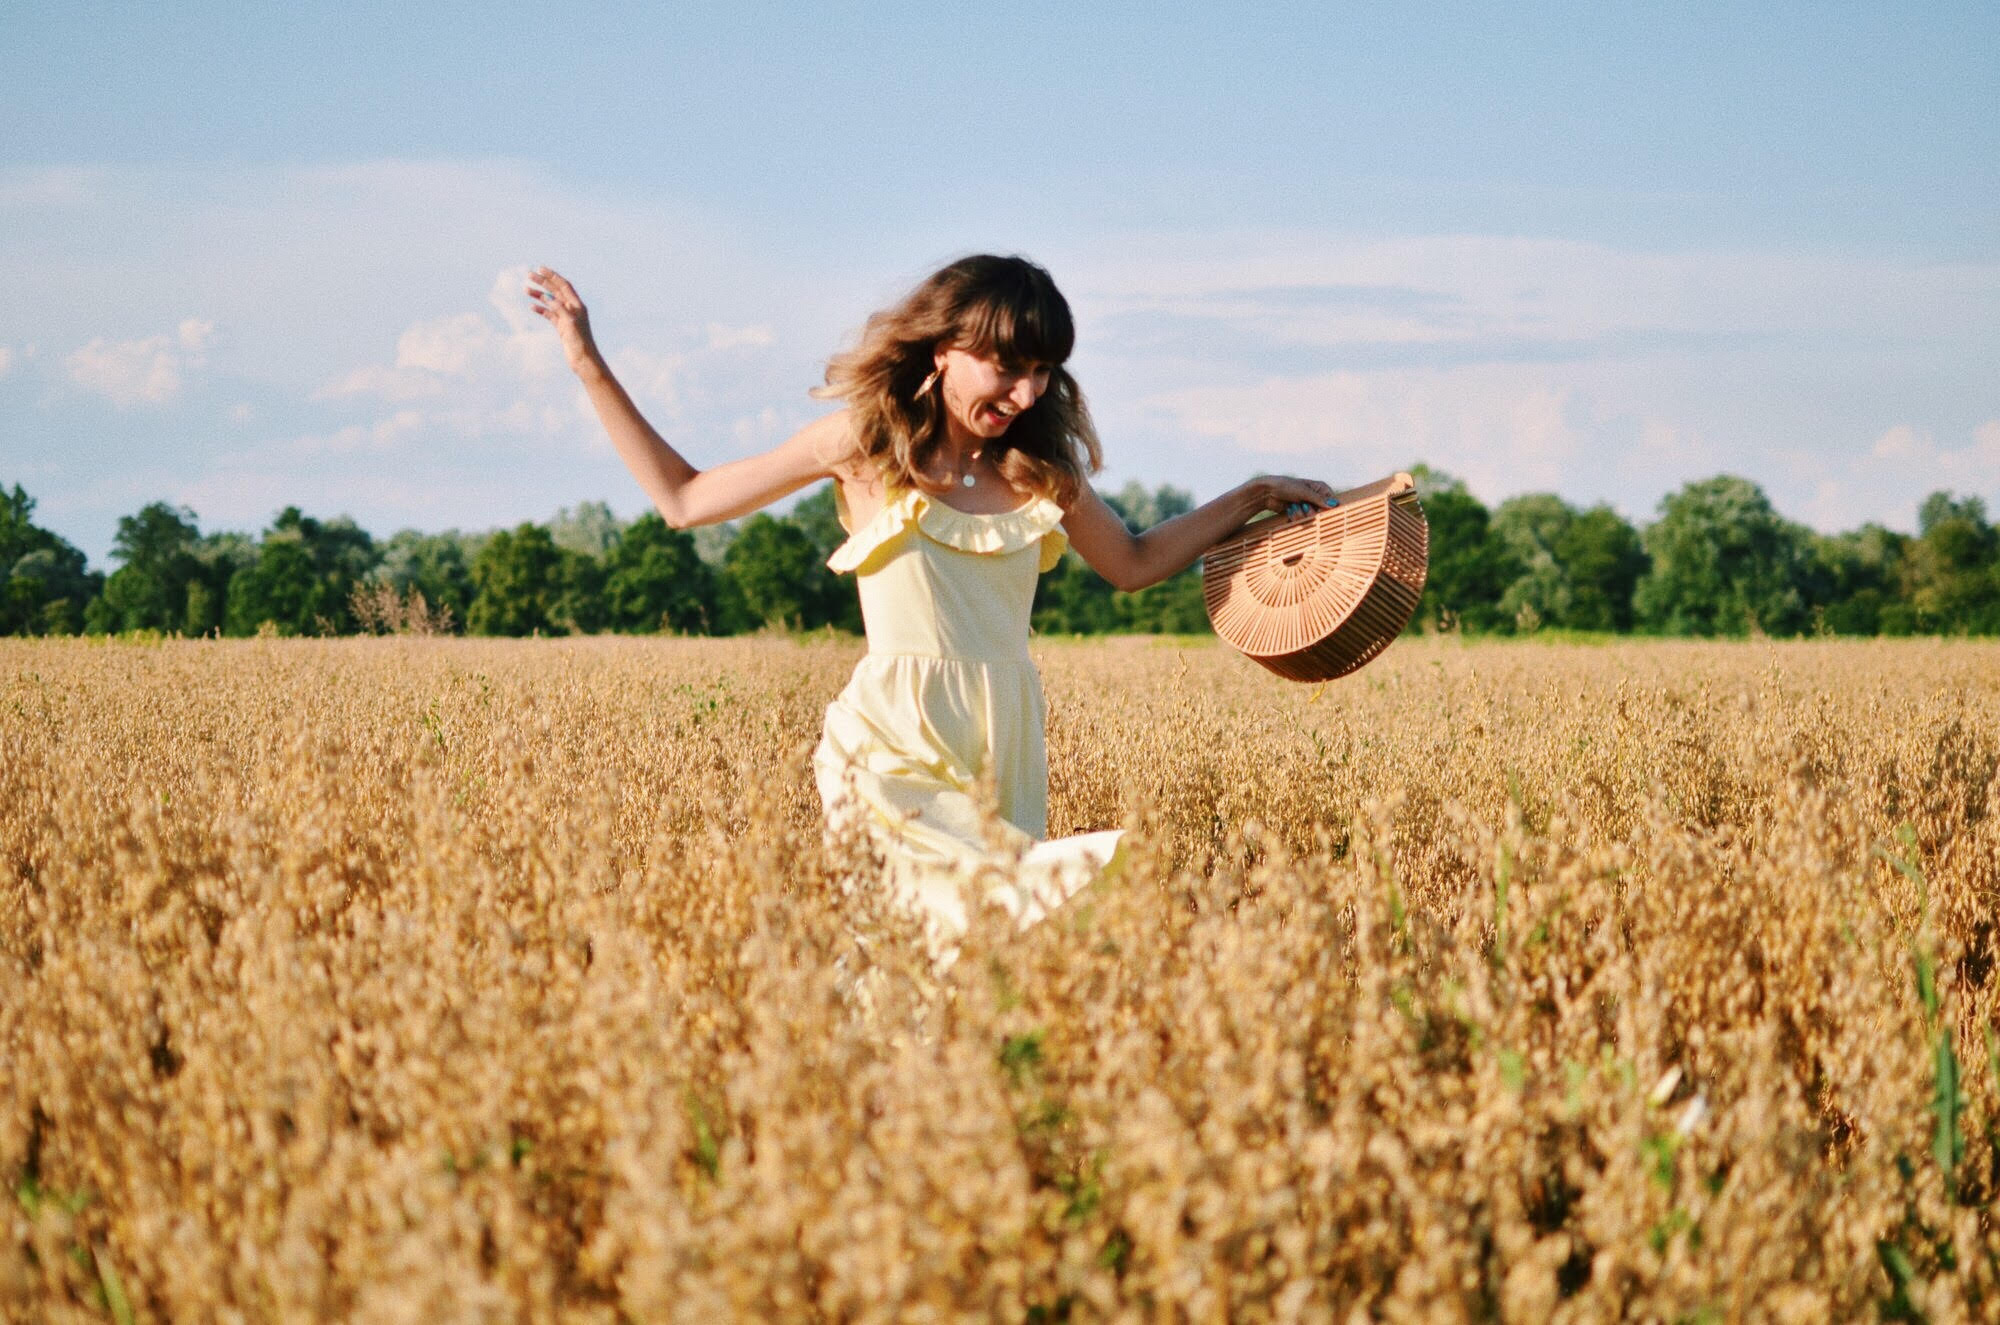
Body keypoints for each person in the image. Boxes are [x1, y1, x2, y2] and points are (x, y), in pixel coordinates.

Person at [527, 254, 1334, 958]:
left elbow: (1134, 561)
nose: (1025, 392)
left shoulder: (1037, 470)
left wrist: (1255, 495)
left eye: (1043, 371)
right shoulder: (864, 446)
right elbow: (685, 498)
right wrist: (588, 363)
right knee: (955, 933)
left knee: (980, 968)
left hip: (999, 744)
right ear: (946, 350)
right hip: (887, 752)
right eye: (1006, 367)